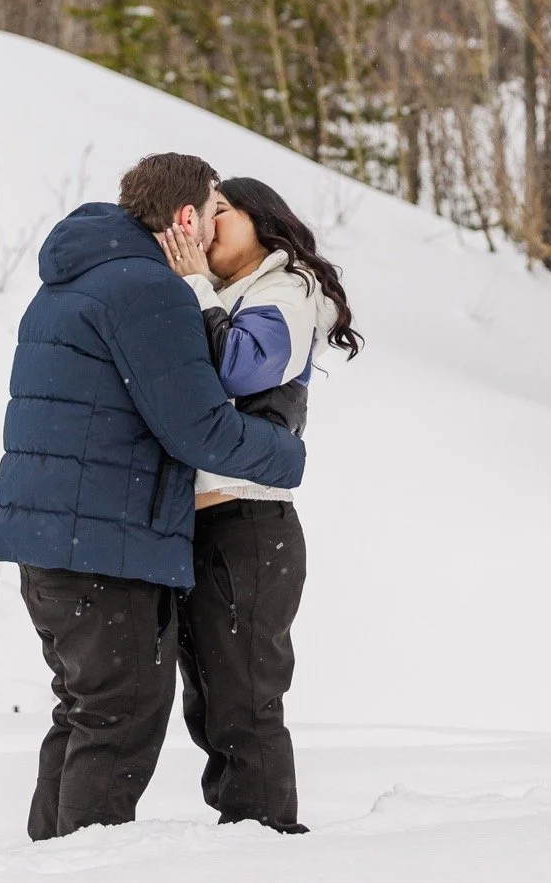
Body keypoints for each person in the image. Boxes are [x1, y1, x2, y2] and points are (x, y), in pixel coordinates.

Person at [0, 153, 307, 841]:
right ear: (187, 217)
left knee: (84, 711)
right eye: (214, 209)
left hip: (51, 539)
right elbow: (200, 429)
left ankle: (48, 861)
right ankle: (83, 863)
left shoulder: (76, 276)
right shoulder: (149, 289)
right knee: (120, 715)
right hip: (106, 546)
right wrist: (287, 455)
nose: (216, 226)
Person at [159, 174, 362, 835]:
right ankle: (242, 835)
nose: (205, 225)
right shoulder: (221, 295)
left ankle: (269, 839)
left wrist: (194, 286)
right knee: (210, 702)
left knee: (244, 697)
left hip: (250, 522)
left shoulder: (287, 290)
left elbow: (241, 366)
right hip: (203, 524)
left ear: (260, 219)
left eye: (220, 210)